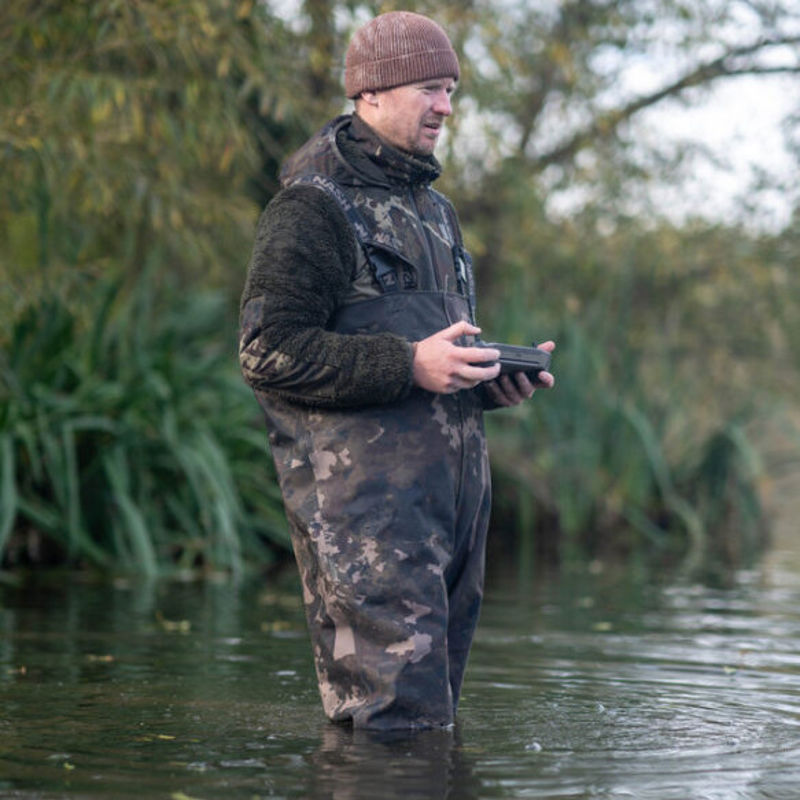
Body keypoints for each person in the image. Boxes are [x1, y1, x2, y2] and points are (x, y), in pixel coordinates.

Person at [239, 10, 554, 731]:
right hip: (367, 526)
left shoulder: (437, 212)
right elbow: (266, 350)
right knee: (389, 735)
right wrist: (410, 361)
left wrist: (490, 378)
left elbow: (430, 366)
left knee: (431, 727)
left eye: (451, 90)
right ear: (370, 94)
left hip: (451, 518)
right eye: (430, 89)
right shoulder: (310, 208)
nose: (446, 107)